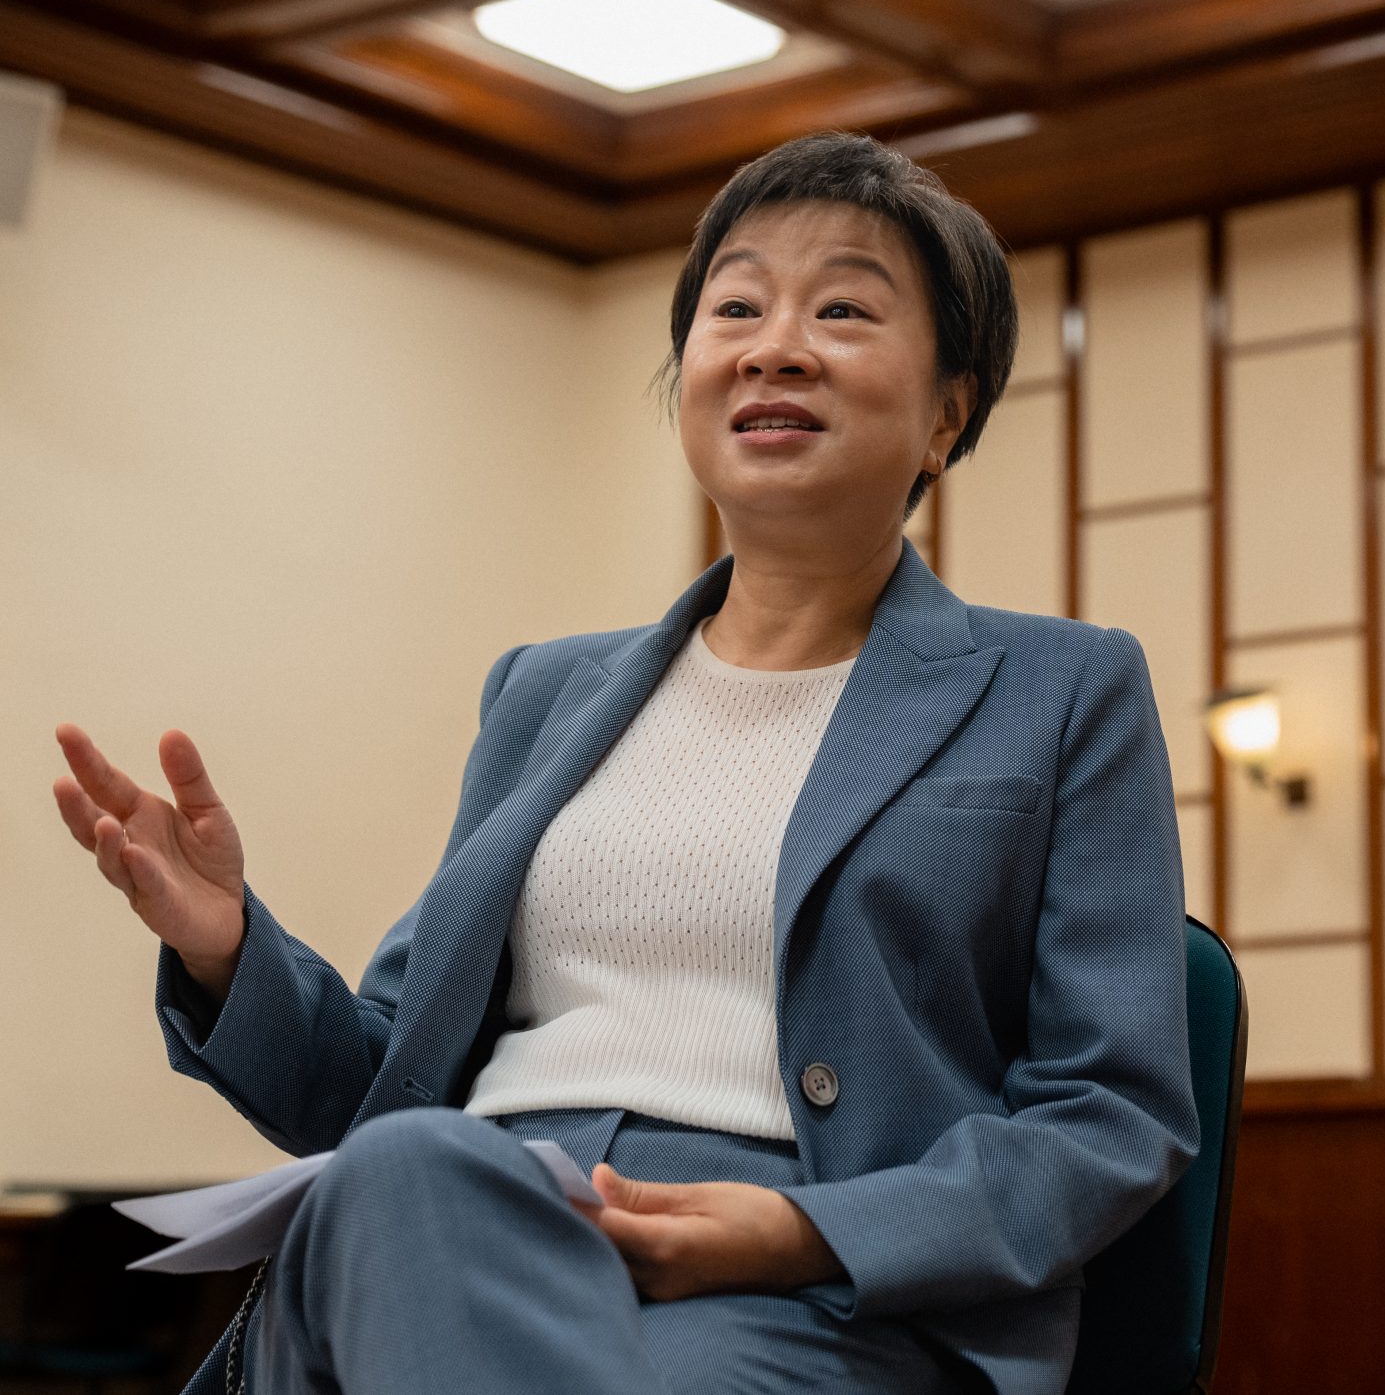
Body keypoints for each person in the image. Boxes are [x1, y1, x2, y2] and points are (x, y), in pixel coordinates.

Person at [48, 132, 1197, 1395]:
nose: (774, 344)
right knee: (405, 1169)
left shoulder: (1060, 688)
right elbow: (383, 1087)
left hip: (804, 1290)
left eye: (846, 310)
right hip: (447, 1224)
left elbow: (1110, 1114)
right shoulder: (546, 692)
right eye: (737, 305)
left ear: (948, 412)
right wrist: (226, 949)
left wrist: (807, 1232)